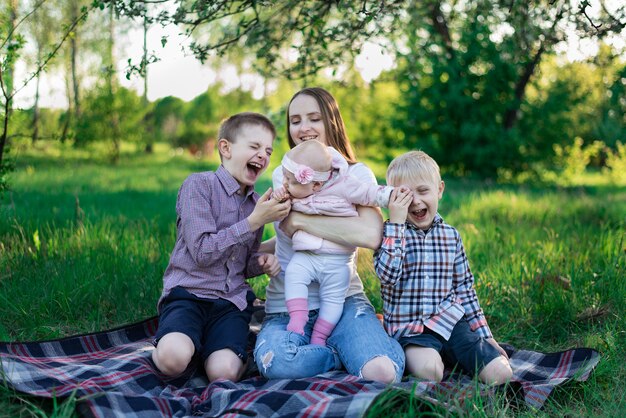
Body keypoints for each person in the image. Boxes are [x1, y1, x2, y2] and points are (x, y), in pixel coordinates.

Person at [253, 87, 405, 383]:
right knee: (280, 364)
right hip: (286, 305)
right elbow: (283, 236)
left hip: (345, 300)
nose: (304, 128)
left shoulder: (356, 175)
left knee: (382, 372)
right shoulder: (286, 174)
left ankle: (348, 343)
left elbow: (371, 234)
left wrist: (301, 220)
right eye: (295, 120)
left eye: (314, 118)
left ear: (331, 122)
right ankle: (335, 355)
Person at [152, 112, 290, 382]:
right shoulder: (199, 186)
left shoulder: (254, 204)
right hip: (189, 295)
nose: (263, 155)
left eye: (268, 150)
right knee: (173, 360)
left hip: (230, 303)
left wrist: (261, 261)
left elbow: (239, 264)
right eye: (254, 146)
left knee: (223, 372)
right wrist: (253, 222)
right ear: (225, 148)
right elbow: (203, 253)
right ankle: (178, 347)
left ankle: (220, 351)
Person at [374, 150, 513, 385]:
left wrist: (485, 336)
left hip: (450, 323)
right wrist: (396, 224)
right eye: (405, 195)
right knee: (431, 372)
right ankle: (435, 358)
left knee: (501, 374)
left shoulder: (451, 236)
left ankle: (453, 353)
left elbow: (465, 289)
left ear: (439, 189)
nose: (416, 201)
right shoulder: (389, 234)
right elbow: (387, 277)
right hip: (411, 329)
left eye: (423, 191)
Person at [271, 140, 394, 346]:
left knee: (333, 302)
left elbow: (367, 194)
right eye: (284, 177)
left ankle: (320, 337)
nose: (284, 183)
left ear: (316, 184)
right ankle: (298, 318)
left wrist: (389, 196)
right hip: (307, 254)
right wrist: (279, 197)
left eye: (290, 180)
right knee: (294, 274)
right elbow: (278, 210)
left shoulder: (345, 185)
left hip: (337, 261)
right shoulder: (293, 192)